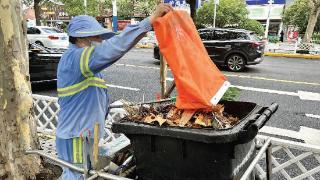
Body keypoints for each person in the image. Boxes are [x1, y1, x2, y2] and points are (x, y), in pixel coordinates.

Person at [56, 4, 173, 179]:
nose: (101, 40)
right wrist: (148, 22)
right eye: (98, 36)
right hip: (76, 136)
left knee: (84, 174)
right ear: (82, 37)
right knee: (75, 175)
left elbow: (89, 95)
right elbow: (113, 48)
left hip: (84, 134)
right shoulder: (76, 58)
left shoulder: (84, 63)